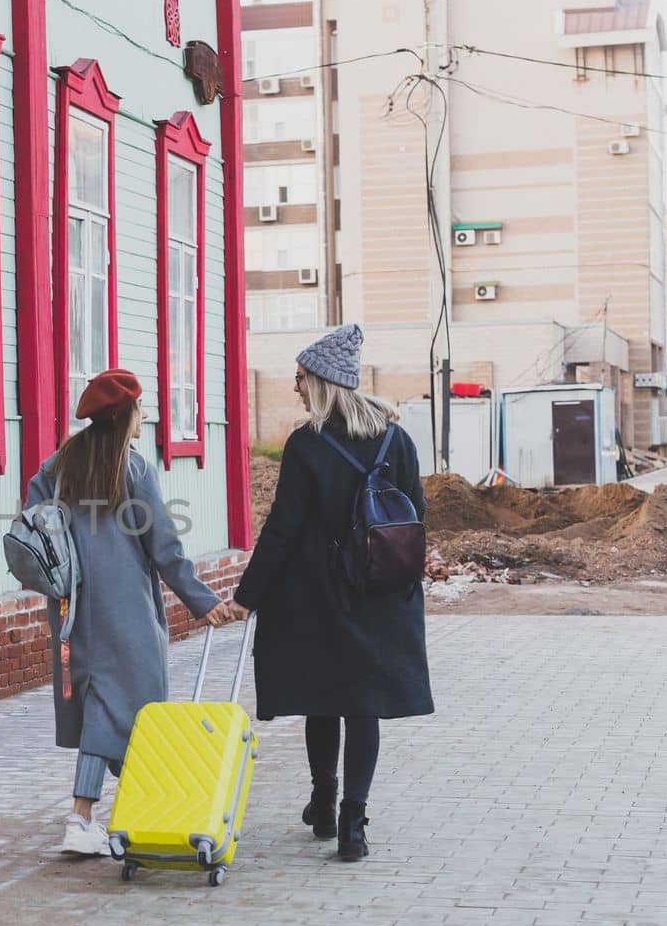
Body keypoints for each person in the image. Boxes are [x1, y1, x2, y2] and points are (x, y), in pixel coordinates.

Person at [224, 325, 434, 861]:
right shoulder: (398, 439)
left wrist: (248, 595)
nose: (294, 387)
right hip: (381, 588)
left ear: (321, 382)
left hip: (317, 593)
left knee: (324, 698)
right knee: (363, 706)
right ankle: (352, 825)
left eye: (299, 378)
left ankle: (323, 800)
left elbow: (283, 528)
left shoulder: (307, 444)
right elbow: (417, 512)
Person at [25, 368, 231, 856]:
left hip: (71, 607)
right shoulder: (133, 469)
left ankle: (122, 808)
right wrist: (203, 601)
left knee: (102, 701)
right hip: (125, 607)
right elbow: (164, 545)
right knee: (127, 703)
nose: (147, 417)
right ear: (123, 417)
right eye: (141, 409)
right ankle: (81, 816)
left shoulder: (55, 468)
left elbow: (33, 531)